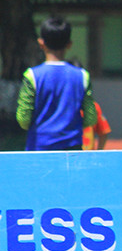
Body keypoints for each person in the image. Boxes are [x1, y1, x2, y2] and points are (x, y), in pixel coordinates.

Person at [16, 16, 97, 151]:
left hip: (39, 147)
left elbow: (23, 119)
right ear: (69, 44)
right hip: (72, 147)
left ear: (41, 43)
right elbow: (91, 118)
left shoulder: (32, 76)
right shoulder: (82, 75)